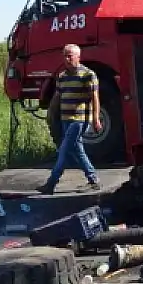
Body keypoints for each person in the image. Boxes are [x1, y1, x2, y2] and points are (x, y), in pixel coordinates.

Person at [37, 44, 103, 194]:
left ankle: (51, 183)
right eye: (65, 56)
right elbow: (57, 97)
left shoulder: (88, 75)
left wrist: (96, 119)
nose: (67, 59)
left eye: (70, 56)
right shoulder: (62, 76)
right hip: (65, 119)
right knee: (78, 151)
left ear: (78, 57)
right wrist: (50, 113)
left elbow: (95, 98)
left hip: (78, 120)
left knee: (64, 151)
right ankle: (93, 179)